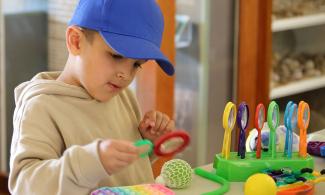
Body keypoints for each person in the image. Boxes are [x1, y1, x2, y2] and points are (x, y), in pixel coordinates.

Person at [9, 0, 176, 194]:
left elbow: (124, 177)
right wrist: (89, 162)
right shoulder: (42, 107)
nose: (126, 75)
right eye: (116, 56)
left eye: (137, 64)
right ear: (76, 41)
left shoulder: (123, 97)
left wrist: (148, 144)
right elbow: (24, 186)